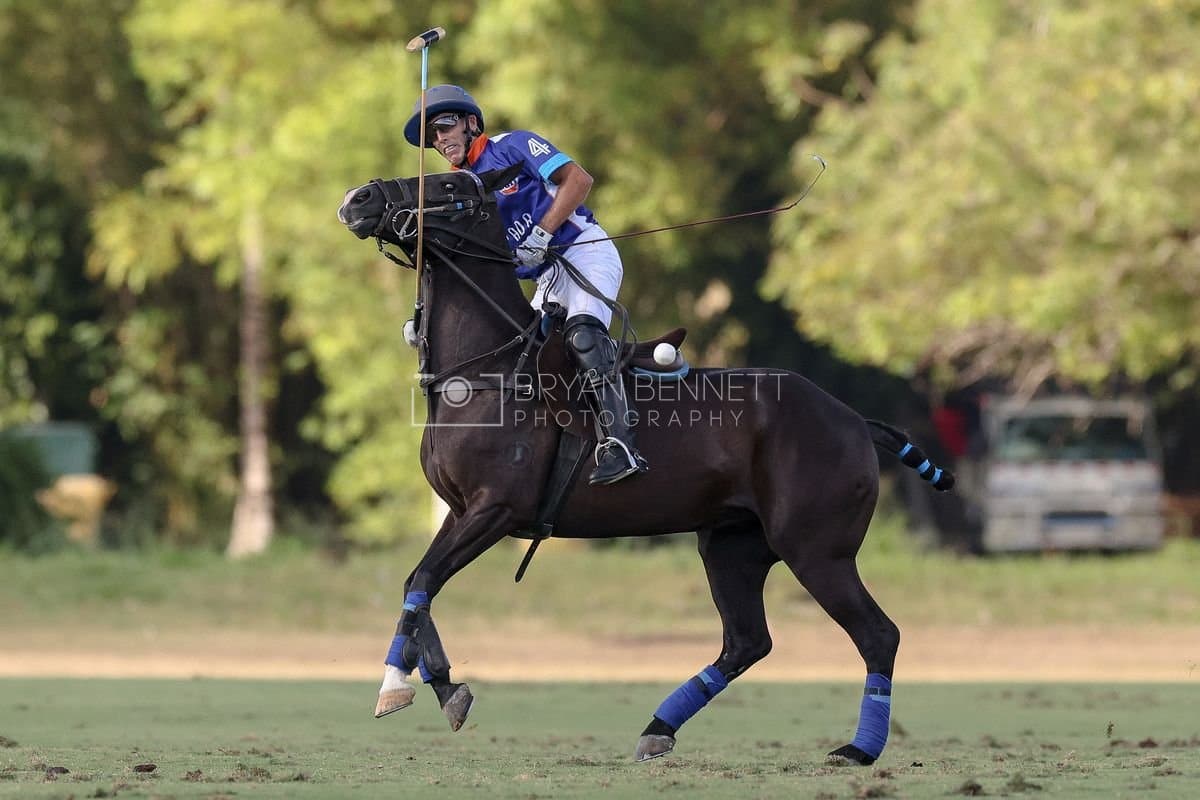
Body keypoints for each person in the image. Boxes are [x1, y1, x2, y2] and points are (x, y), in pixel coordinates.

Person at [404, 84, 647, 486]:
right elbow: (457, 264)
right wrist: (423, 319)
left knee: (584, 336)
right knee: (526, 361)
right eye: (432, 136)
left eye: (444, 126)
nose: (439, 139)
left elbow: (579, 180)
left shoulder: (514, 146)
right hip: (547, 277)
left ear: (470, 123)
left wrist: (541, 233)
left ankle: (621, 444)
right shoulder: (460, 190)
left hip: (583, 250)